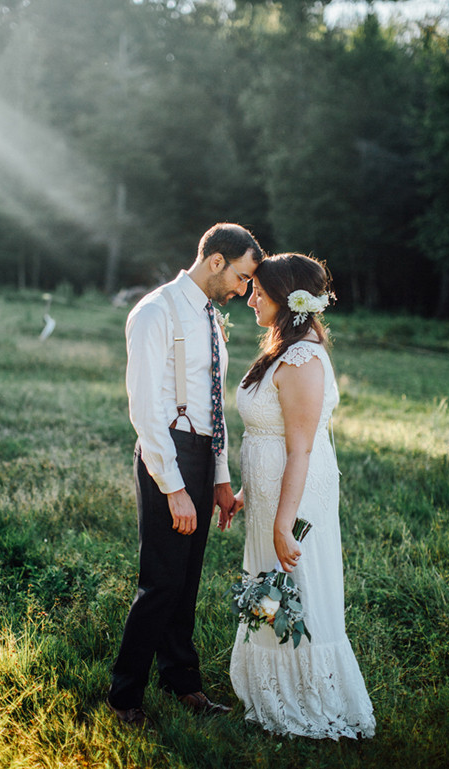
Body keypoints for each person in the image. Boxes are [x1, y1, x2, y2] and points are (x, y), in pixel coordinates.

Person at [108, 223, 264, 727]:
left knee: (187, 580)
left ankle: (183, 682)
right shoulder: (155, 311)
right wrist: (173, 486)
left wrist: (219, 475)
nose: (244, 291)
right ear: (216, 261)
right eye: (241, 277)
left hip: (201, 454)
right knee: (160, 581)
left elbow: (212, 403)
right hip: (166, 453)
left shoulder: (210, 317)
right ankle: (124, 694)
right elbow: (146, 407)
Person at [228, 253, 376, 740]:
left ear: (287, 301)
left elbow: (301, 448)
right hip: (273, 495)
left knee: (296, 589)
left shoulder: (304, 359)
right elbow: (273, 433)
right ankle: (271, 687)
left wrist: (283, 521)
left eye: (260, 294)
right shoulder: (282, 348)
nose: (251, 299)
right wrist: (251, 492)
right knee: (271, 588)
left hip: (295, 499)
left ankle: (306, 697)